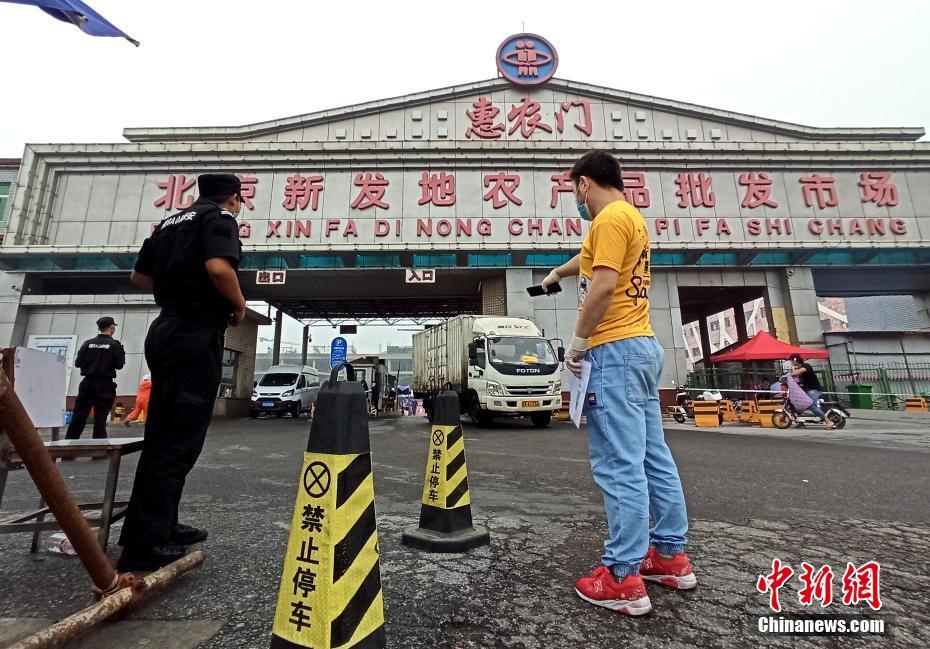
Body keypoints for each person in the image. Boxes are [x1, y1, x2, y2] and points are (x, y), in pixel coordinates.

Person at [541, 150, 695, 617]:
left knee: (618, 464)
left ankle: (622, 576)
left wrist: (578, 342)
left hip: (614, 351)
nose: (575, 199)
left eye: (573, 189)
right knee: (653, 458)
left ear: (584, 183)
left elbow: (604, 286)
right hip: (643, 349)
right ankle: (669, 556)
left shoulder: (607, 219)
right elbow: (589, 262)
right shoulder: (630, 219)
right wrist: (558, 273)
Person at [117, 173, 246, 571]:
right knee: (179, 439)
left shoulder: (169, 223)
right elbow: (219, 269)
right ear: (235, 198)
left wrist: (175, 284)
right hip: (194, 332)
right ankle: (145, 543)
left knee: (163, 432)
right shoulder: (219, 218)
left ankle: (160, 526)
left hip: (166, 328)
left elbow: (139, 278)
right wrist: (238, 306)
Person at [65, 317, 125, 440]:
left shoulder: (87, 343)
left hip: (87, 382)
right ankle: (99, 447)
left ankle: (69, 445)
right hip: (105, 384)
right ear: (112, 327)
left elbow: (78, 363)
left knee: (79, 415)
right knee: (101, 416)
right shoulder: (115, 345)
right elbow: (119, 365)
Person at [789, 353, 833, 429]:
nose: (791, 362)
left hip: (814, 390)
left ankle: (828, 421)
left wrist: (789, 375)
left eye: (792, 360)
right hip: (806, 390)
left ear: (796, 360)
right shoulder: (798, 370)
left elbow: (800, 371)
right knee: (798, 404)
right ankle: (801, 422)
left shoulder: (806, 366)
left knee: (811, 405)